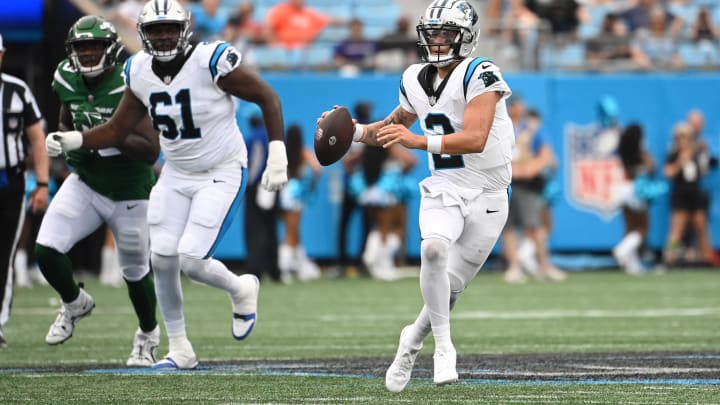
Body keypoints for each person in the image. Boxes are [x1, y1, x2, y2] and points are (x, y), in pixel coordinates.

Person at [46, 0, 288, 369]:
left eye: (169, 29)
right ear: (143, 34)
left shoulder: (211, 61)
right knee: (161, 257)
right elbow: (117, 129)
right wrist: (75, 140)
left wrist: (277, 153)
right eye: (155, 30)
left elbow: (267, 97)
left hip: (221, 170)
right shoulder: (139, 69)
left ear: (184, 29)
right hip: (175, 172)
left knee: (191, 259)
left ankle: (242, 288)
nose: (162, 36)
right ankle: (180, 349)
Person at [319, 0, 514, 391]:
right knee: (433, 251)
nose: (438, 41)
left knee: (452, 289)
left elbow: (475, 139)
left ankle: (411, 341)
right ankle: (444, 347)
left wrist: (418, 141)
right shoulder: (413, 78)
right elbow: (392, 127)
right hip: (445, 185)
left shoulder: (481, 73)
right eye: (433, 34)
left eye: (447, 34)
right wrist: (354, 131)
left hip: (490, 192)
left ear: (467, 37)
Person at [34, 16, 160, 366]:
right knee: (46, 249)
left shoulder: (130, 81)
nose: (88, 53)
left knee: (135, 274)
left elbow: (150, 150)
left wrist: (102, 138)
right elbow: (67, 119)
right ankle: (75, 303)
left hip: (130, 190)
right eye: (81, 47)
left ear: (111, 49)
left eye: (95, 46)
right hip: (87, 181)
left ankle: (148, 334)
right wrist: (62, 140)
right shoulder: (65, 77)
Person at [0, 32, 50, 348]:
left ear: (2, 55)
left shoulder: (16, 90)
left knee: (3, 254)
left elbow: (37, 139)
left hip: (10, 182)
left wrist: (42, 184)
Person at [502, 96, 566, 283]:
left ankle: (544, 265)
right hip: (505, 181)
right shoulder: (500, 127)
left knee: (535, 224)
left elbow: (546, 155)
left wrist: (529, 170)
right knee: (508, 227)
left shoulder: (531, 129)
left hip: (527, 183)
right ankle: (514, 266)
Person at [612, 123, 663, 274]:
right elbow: (652, 166)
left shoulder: (623, 149)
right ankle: (623, 249)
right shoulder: (640, 152)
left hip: (622, 188)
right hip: (637, 188)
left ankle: (632, 264)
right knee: (643, 227)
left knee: (629, 227)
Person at [277, 124, 322, 282]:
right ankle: (283, 269)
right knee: (291, 233)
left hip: (284, 191)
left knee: (293, 231)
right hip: (296, 194)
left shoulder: (283, 150)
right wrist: (311, 185)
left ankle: (298, 266)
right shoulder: (303, 151)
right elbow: (317, 169)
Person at [242, 109, 282, 283]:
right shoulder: (273, 137)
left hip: (257, 186)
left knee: (254, 229)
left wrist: (247, 184)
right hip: (273, 186)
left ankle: (255, 269)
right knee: (271, 228)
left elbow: (252, 165)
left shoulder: (253, 138)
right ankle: (274, 269)